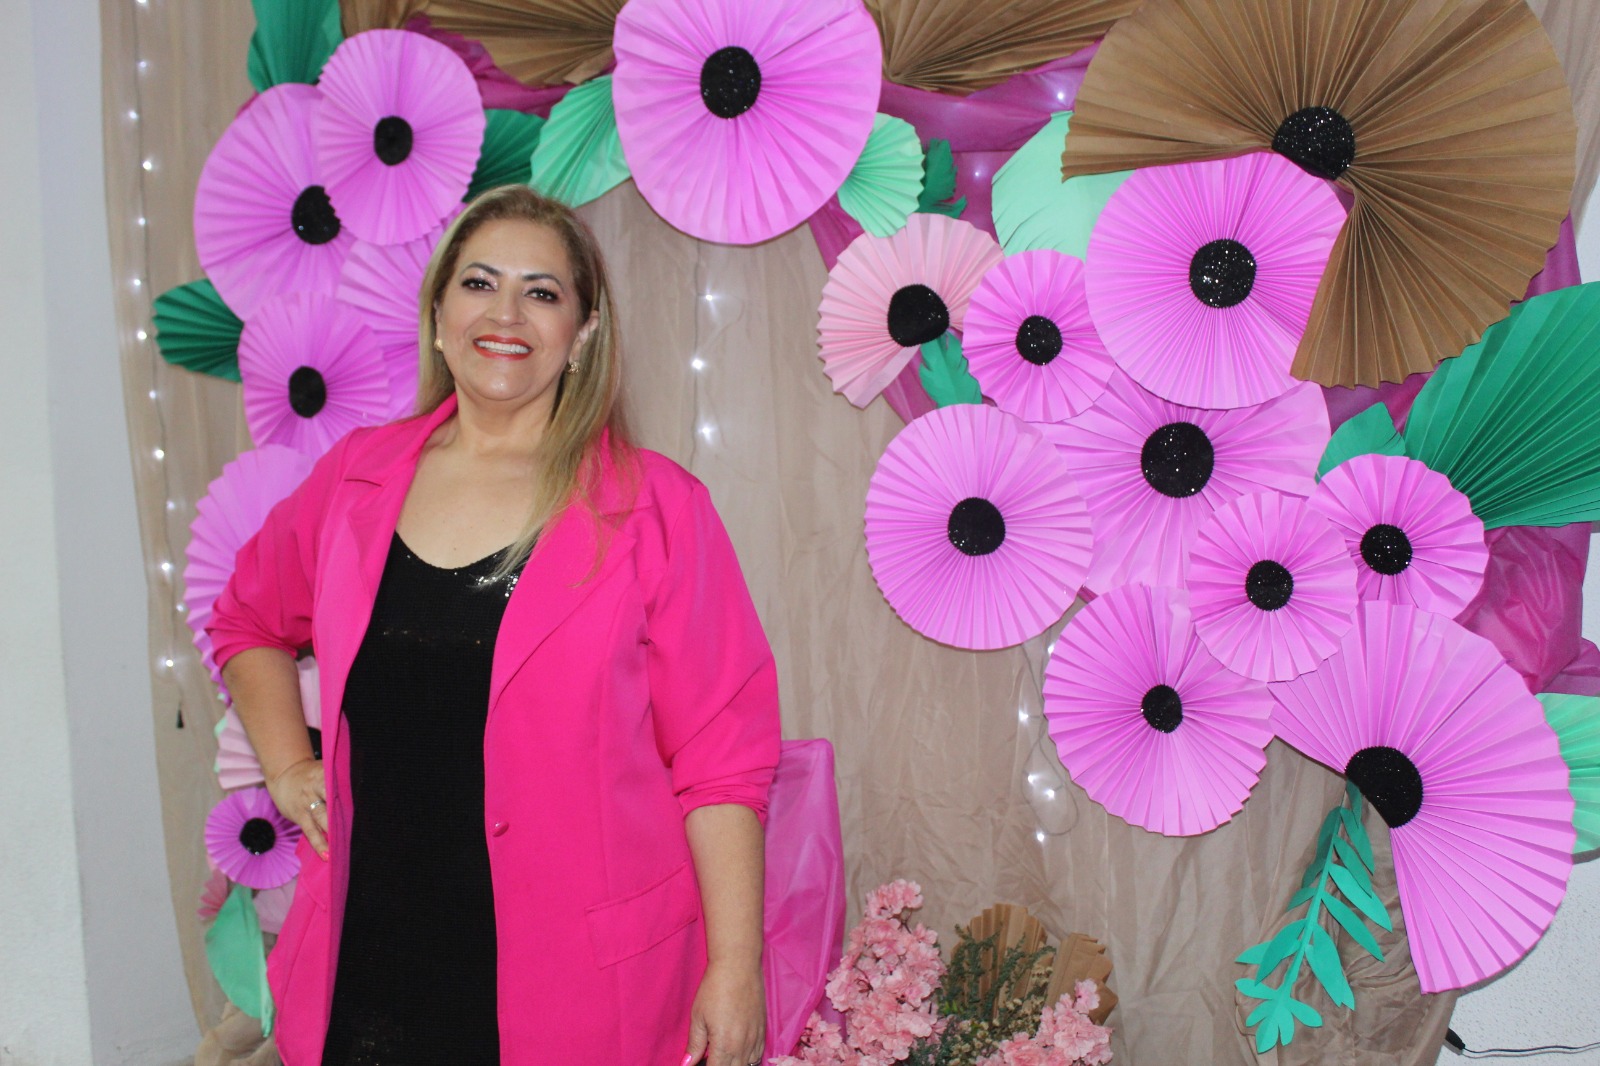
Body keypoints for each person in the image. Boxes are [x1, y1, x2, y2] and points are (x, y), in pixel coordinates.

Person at [208, 185, 781, 1066]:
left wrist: (735, 968)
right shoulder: (355, 480)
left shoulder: (659, 508)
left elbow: (722, 763)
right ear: (438, 316)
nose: (505, 313)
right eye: (479, 283)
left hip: (581, 984)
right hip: (372, 962)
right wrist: (287, 767)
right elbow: (247, 617)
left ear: (583, 333)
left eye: (542, 292)